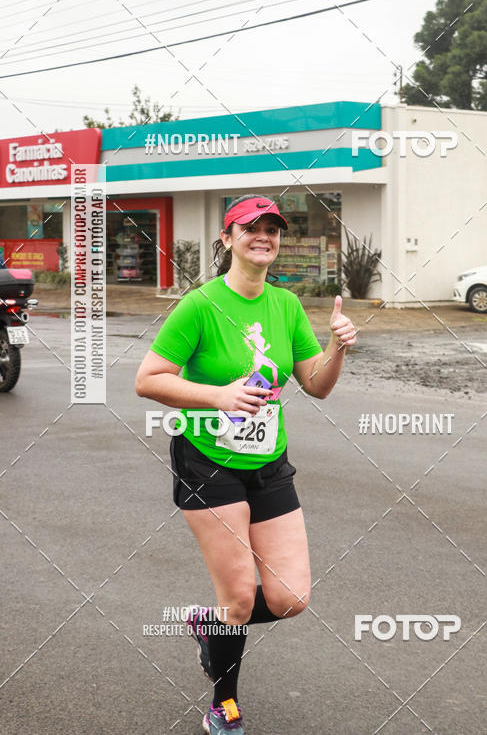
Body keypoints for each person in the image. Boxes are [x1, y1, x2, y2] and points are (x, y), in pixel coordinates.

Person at [135, 194, 357, 734]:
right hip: (208, 462)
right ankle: (224, 704)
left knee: (290, 597)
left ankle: (209, 624)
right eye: (252, 228)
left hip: (268, 461)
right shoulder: (200, 305)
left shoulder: (285, 306)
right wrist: (219, 397)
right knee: (238, 597)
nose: (265, 237)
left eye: (273, 230)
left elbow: (317, 386)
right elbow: (148, 379)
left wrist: (338, 347)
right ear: (228, 238)